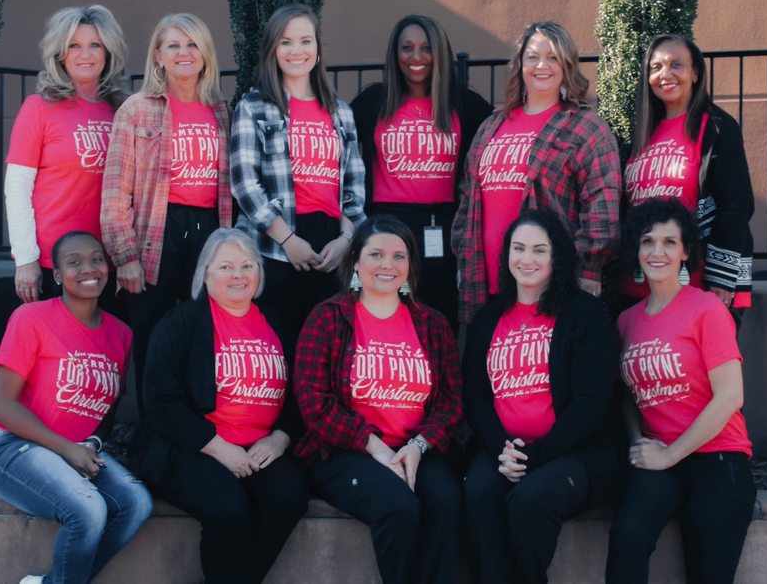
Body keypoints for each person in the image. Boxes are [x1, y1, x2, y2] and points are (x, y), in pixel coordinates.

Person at [128, 228, 308, 584]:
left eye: (247, 266)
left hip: (258, 447)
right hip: (191, 447)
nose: (238, 275)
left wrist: (280, 438)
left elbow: (298, 392)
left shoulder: (276, 323)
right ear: (205, 273)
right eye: (226, 267)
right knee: (228, 508)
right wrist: (219, 448)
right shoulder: (181, 323)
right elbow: (161, 400)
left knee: (289, 497)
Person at [293, 215, 463, 584]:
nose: (388, 264)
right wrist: (375, 448)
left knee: (447, 501)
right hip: (345, 452)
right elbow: (314, 404)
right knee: (398, 506)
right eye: (376, 255)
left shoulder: (432, 324)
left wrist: (418, 446)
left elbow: (451, 403)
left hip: (415, 449)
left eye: (399, 256)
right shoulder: (328, 318)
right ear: (355, 261)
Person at [0, 231, 152, 584]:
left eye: (96, 259)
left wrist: (90, 444)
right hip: (11, 447)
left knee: (136, 504)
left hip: (75, 451)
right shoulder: (31, 318)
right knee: (88, 509)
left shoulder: (121, 334)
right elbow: (1, 406)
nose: (88, 268)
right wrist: (66, 449)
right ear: (57, 275)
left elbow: (108, 408)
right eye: (74, 262)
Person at [462, 210, 624, 583]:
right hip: (504, 449)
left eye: (539, 250)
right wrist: (504, 449)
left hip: (574, 451)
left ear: (557, 256)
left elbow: (590, 402)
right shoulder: (488, 318)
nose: (527, 259)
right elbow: (476, 396)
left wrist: (537, 454)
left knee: (530, 500)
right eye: (518, 248)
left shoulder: (585, 314)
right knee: (479, 493)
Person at [606, 198, 755, 583]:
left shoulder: (707, 309)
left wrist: (672, 454)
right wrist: (638, 443)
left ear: (686, 251)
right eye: (648, 241)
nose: (657, 252)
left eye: (669, 242)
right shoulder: (627, 321)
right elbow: (627, 396)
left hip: (718, 457)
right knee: (627, 537)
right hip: (660, 457)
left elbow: (730, 396)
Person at [101, 13, 233, 415]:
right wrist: (125, 257)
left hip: (209, 232)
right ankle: (153, 430)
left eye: (192, 44)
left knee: (203, 335)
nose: (183, 53)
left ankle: (196, 428)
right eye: (173, 45)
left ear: (205, 54)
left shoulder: (220, 110)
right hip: (157, 232)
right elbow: (115, 192)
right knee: (153, 339)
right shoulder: (137, 110)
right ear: (158, 55)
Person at [451, 21, 621, 326]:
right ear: (520, 64)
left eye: (553, 57)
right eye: (532, 57)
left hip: (552, 285)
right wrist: (463, 257)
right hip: (488, 285)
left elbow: (602, 202)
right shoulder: (491, 126)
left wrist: (589, 268)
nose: (542, 66)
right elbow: (468, 198)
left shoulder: (585, 127)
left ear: (567, 64)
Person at [230, 3, 366, 339]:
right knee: (279, 346)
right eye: (286, 42)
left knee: (327, 348)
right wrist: (288, 241)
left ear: (318, 51)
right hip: (275, 244)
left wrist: (346, 240)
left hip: (331, 247)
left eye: (306, 41)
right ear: (272, 50)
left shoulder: (341, 113)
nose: (297, 51)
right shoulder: (253, 107)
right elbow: (245, 184)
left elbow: (354, 185)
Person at [350, 14, 493, 331]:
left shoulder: (466, 105)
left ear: (439, 51)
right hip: (384, 226)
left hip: (442, 229)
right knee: (382, 313)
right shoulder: (372, 102)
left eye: (426, 48)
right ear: (395, 53)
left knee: (439, 317)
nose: (416, 57)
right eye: (407, 48)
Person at [620, 34, 755, 320]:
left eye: (676, 65)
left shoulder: (717, 127)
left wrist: (720, 279)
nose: (665, 74)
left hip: (700, 284)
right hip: (639, 286)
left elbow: (736, 205)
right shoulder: (641, 131)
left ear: (695, 73)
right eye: (656, 67)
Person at [5, 5, 128, 310]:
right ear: (60, 53)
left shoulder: (123, 110)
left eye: (95, 45)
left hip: (110, 260)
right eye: (74, 45)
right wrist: (26, 260)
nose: (85, 54)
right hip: (55, 262)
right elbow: (17, 188)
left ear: (108, 51)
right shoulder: (38, 108)